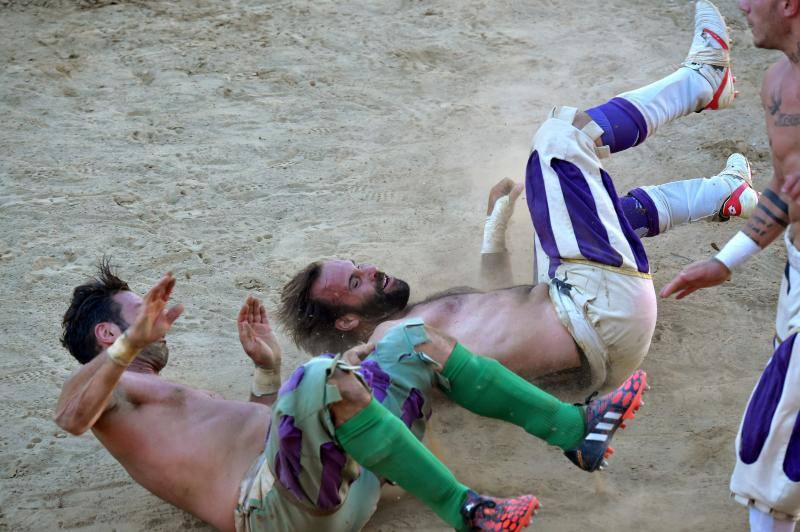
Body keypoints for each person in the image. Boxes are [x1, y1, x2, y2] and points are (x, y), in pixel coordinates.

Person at [279, 1, 756, 392]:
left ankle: (725, 195)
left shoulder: (407, 328)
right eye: (357, 283)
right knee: (560, 137)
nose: (370, 270)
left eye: (358, 265)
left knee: (582, 218)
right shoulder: (392, 347)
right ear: (345, 323)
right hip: (595, 314)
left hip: (593, 325)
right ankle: (703, 80)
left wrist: (494, 231)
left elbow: (500, 308)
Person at [54, 262, 645, 531]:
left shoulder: (155, 391)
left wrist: (266, 373)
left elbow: (267, 433)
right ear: (110, 334)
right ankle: (467, 512)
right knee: (317, 378)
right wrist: (130, 346)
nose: (157, 319)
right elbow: (70, 417)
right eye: (139, 312)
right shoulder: (111, 388)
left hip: (331, 488)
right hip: (274, 513)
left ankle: (574, 431)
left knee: (409, 339)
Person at [660, 0, 800, 529]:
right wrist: (725, 261)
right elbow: (785, 190)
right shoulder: (776, 85)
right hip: (795, 280)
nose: (743, 5)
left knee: (766, 450)